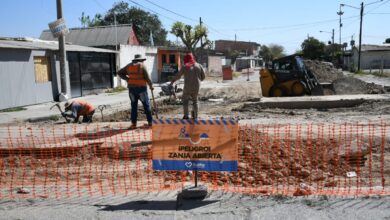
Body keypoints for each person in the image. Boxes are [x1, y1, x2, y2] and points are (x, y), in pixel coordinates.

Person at [117, 54, 154, 128]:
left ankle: (133, 124)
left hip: (131, 89)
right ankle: (150, 122)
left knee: (134, 106)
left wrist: (128, 79)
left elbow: (119, 72)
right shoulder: (142, 66)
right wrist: (151, 85)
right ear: (141, 60)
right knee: (146, 105)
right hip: (141, 89)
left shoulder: (129, 66)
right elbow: (148, 78)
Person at [170, 53, 205, 119]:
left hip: (187, 87)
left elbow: (178, 75)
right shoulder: (199, 65)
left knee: (185, 100)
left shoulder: (185, 66)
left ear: (186, 59)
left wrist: (172, 81)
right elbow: (203, 77)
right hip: (196, 87)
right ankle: (196, 116)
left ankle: (186, 116)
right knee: (195, 101)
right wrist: (198, 80)